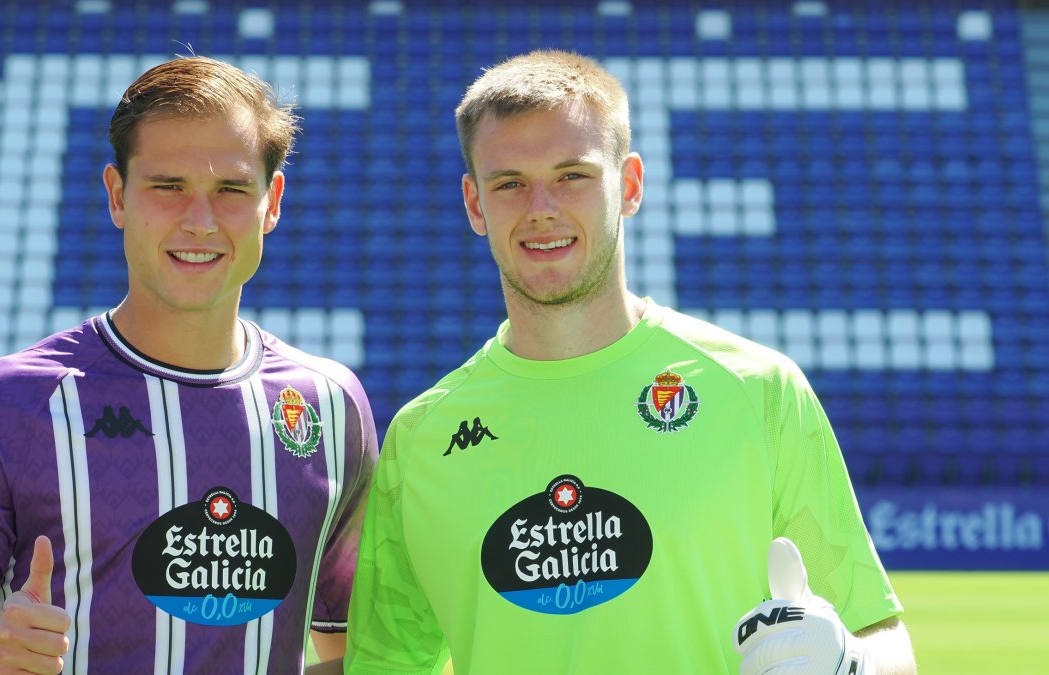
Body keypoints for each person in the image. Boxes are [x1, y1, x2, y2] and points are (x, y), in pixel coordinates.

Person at [344, 50, 916, 674]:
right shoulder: (421, 439)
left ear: (632, 185)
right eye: (509, 183)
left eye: (573, 175)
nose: (542, 208)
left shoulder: (758, 390)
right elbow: (385, 664)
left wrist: (852, 665)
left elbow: (880, 634)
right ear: (475, 204)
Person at [0, 56, 377, 674]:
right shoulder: (7, 403)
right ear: (117, 196)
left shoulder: (329, 405)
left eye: (231, 190)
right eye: (168, 187)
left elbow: (358, 656)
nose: (199, 220)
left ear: (271, 203)